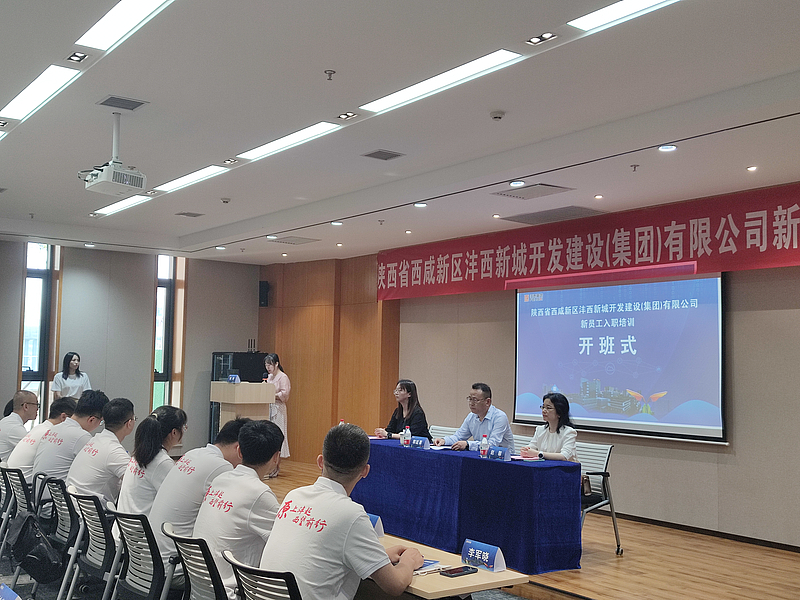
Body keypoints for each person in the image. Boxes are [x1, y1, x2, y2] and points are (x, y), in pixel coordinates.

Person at [260, 423, 424, 600]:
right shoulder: (351, 515)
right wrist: (409, 561)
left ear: (320, 462)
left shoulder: (293, 496)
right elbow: (395, 585)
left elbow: (318, 554)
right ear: (365, 471)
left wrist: (379, 558)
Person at [193, 420, 283, 600]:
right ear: (276, 457)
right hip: (230, 591)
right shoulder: (259, 493)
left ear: (239, 451)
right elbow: (284, 539)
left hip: (199, 586)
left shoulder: (221, 479)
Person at [149, 417, 250, 571]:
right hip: (175, 566)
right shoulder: (221, 466)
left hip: (151, 556)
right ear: (239, 449)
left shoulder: (193, 453)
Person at [117, 405, 187, 516]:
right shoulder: (162, 462)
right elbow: (177, 501)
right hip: (143, 526)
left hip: (123, 525)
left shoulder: (139, 454)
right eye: (183, 428)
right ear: (174, 432)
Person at [66, 398, 136, 504]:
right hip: (93, 511)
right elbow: (137, 483)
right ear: (129, 423)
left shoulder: (95, 440)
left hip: (74, 507)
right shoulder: (114, 451)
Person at [33, 389, 109, 481]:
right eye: (101, 422)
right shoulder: (82, 436)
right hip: (58, 489)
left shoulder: (53, 429)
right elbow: (98, 468)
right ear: (92, 419)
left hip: (39, 488)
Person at [8, 397, 76, 481]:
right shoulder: (51, 434)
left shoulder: (39, 428)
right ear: (64, 417)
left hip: (15, 483)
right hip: (27, 484)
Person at [433, 383, 515, 452]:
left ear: (487, 402)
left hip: (504, 459)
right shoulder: (471, 416)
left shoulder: (500, 417)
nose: (471, 403)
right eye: (470, 399)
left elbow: (492, 444)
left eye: (475, 400)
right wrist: (444, 441)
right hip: (482, 456)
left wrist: (468, 444)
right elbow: (458, 436)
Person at [519, 392, 577, 462]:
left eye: (548, 408)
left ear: (559, 412)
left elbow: (564, 456)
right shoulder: (540, 430)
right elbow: (532, 446)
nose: (544, 411)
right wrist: (526, 449)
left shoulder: (569, 432)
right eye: (543, 407)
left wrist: (539, 454)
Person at [264, 352, 290, 470]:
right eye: (266, 365)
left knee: (278, 435)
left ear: (276, 364)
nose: (268, 367)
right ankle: (270, 465)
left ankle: (276, 466)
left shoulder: (283, 377)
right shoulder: (269, 377)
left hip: (278, 408)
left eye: (270, 365)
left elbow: (285, 394)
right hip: (269, 407)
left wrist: (273, 395)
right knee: (269, 435)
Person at [0, 391, 40, 461]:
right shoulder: (14, 427)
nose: (37, 409)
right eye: (36, 404)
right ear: (26, 406)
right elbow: (36, 451)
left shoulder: (6, 421)